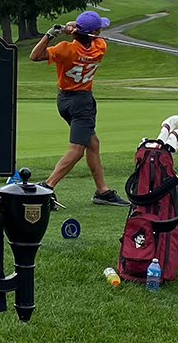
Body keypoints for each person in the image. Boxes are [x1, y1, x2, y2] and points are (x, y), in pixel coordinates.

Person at [29, 11, 123, 206]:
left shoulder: (65, 49)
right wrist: (74, 29)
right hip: (82, 103)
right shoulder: (100, 47)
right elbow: (84, 31)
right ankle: (47, 187)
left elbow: (35, 56)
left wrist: (51, 34)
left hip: (64, 100)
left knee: (93, 143)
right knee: (77, 150)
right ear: (95, 33)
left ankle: (102, 191)